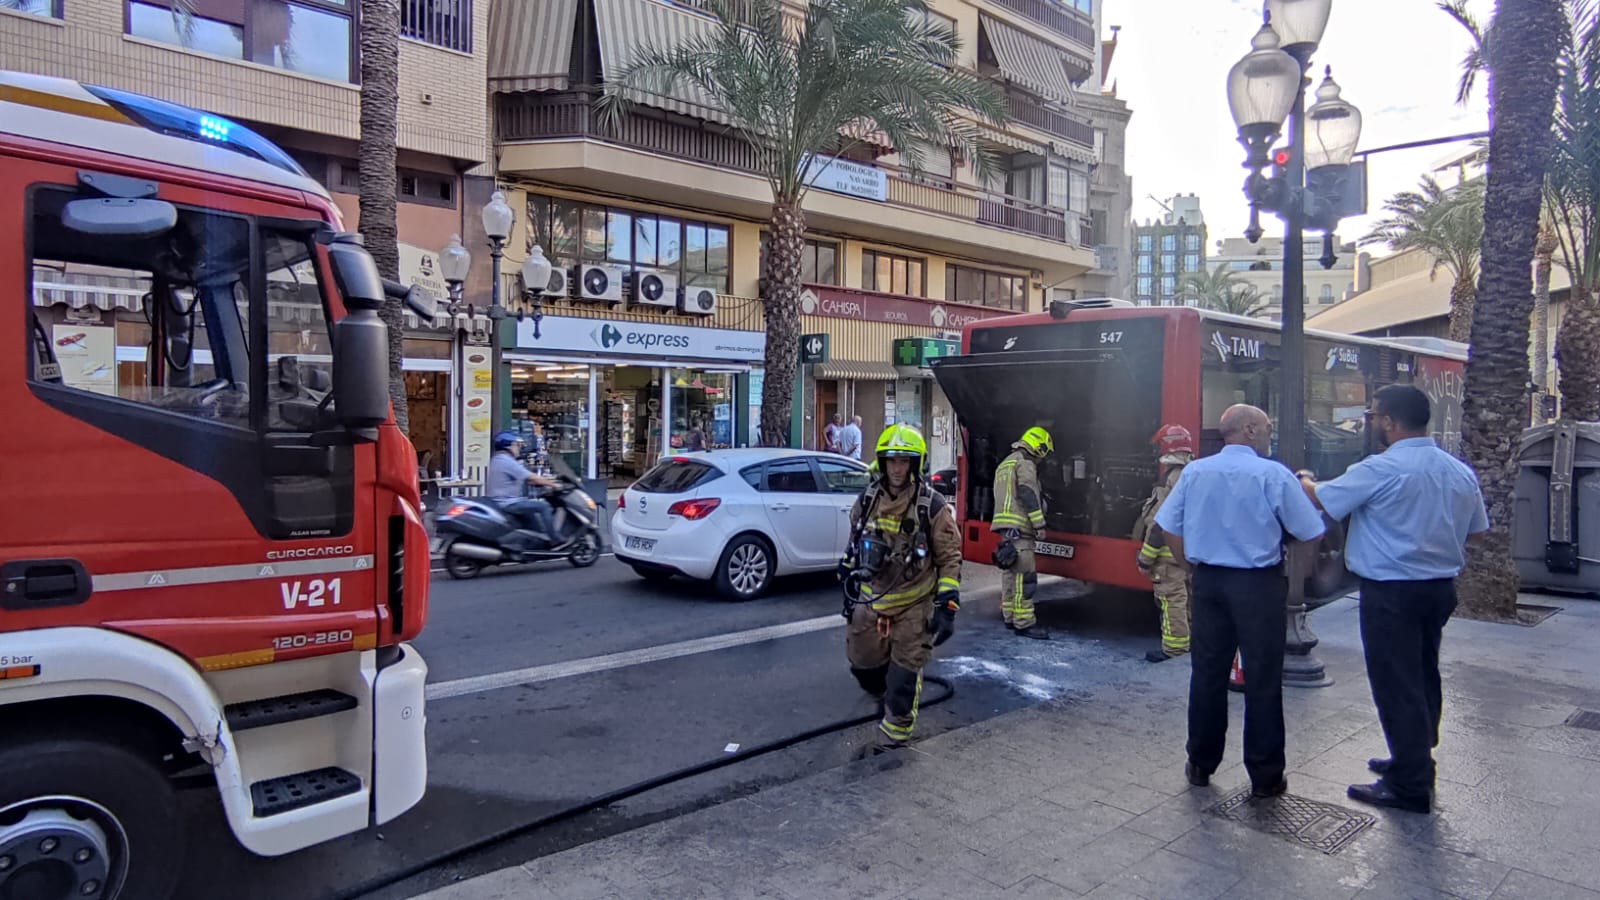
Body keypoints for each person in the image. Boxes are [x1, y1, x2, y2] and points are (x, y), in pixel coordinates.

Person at [1300, 385, 1488, 814]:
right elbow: (1476, 531)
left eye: (1373, 416)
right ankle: (1414, 754)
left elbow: (1323, 497)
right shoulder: (1457, 471)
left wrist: (1303, 479)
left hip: (1392, 591)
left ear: (1389, 421)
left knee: (1396, 681)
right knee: (1423, 672)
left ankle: (1409, 784)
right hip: (1438, 588)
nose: (1371, 423)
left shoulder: (1381, 468)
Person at [1154, 404, 1325, 798]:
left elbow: (1167, 526)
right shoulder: (1272, 474)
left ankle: (1200, 762)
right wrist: (1298, 576)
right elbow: (1309, 531)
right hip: (1257, 585)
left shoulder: (1196, 471)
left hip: (1210, 582)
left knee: (1207, 674)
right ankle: (1265, 776)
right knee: (1263, 679)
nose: (1269, 433)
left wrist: (1190, 567)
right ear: (1249, 429)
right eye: (1267, 427)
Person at [841, 424, 962, 754]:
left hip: (914, 604)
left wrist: (947, 604)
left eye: (904, 461)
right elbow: (854, 548)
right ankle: (886, 694)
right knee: (862, 667)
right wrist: (849, 588)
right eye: (891, 460)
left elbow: (950, 557)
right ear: (882, 462)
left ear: (915, 464)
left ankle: (895, 735)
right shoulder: (867, 501)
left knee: (903, 678)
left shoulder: (930, 506)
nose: (897, 468)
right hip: (873, 601)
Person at [1132, 424, 1196, 663]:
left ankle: (1175, 649)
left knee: (1171, 601)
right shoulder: (1191, 473)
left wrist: (1145, 559)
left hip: (1167, 557)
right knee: (1185, 599)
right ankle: (1188, 642)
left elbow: (1159, 524)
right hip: (1186, 554)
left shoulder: (1171, 478)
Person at [991, 427, 1054, 640]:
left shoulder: (1005, 463)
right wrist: (1039, 524)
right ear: (1039, 447)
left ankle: (1009, 617)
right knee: (1025, 577)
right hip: (1021, 528)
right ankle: (1024, 623)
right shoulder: (1025, 464)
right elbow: (1027, 493)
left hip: (1005, 528)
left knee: (1009, 574)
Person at [487, 431, 559, 542]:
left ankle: (537, 540)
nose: (518, 448)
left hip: (504, 501)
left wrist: (542, 482)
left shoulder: (498, 460)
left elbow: (527, 479)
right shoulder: (506, 461)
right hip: (508, 503)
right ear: (508, 446)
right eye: (516, 445)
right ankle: (554, 539)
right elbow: (531, 477)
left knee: (531, 511)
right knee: (543, 506)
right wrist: (554, 485)